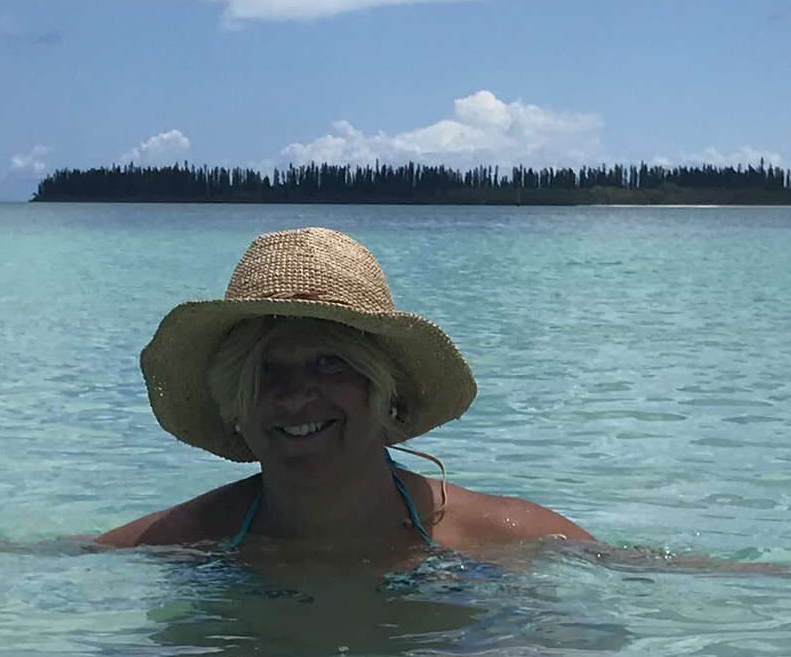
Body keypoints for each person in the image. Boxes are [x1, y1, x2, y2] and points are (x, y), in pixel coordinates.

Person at [97, 227, 590, 569]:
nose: (295, 396)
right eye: (265, 370)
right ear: (234, 404)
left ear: (386, 389)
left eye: (330, 362)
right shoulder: (179, 545)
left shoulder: (508, 540)